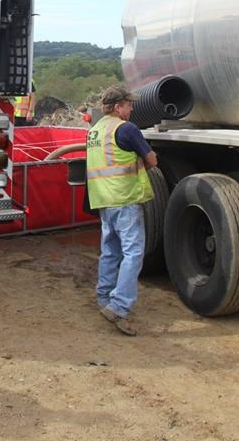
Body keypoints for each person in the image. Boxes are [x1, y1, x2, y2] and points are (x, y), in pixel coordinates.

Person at [86, 85, 157, 336]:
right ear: (118, 107)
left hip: (104, 199)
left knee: (110, 251)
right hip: (125, 198)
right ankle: (119, 306)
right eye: (129, 104)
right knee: (133, 252)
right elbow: (152, 160)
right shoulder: (126, 128)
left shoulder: (94, 131)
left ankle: (104, 298)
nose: (132, 108)